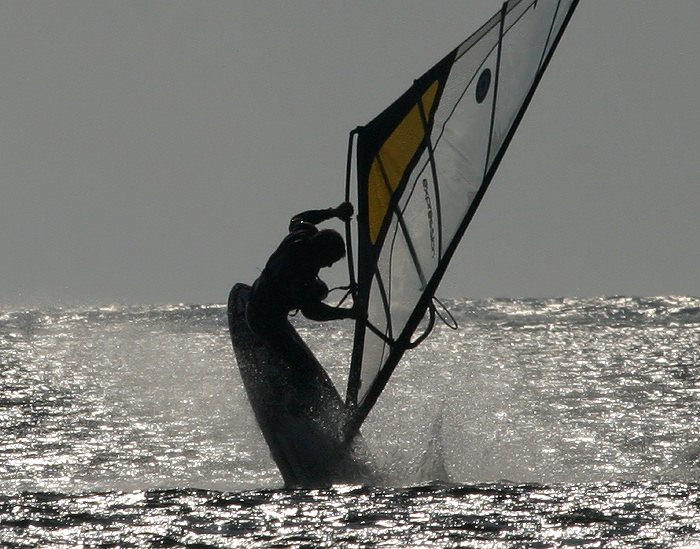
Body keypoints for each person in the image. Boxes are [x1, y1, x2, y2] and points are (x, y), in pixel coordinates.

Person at [246, 202, 357, 373]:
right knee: (303, 367)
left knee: (321, 289)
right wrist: (347, 314)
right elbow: (311, 311)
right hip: (264, 319)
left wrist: (334, 212)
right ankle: (284, 381)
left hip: (260, 292)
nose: (329, 266)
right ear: (321, 252)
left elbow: (299, 218)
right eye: (330, 261)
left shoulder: (305, 233)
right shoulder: (299, 270)